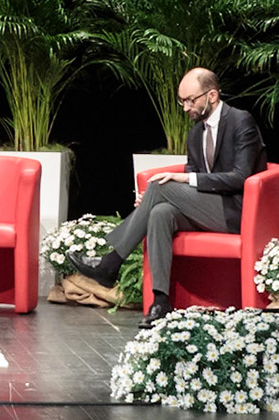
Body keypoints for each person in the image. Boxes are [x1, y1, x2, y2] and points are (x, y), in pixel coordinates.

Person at [73, 67, 264, 327]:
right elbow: (194, 176)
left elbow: (240, 177)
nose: (185, 107)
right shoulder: (195, 133)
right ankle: (161, 302)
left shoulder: (241, 122)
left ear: (212, 95)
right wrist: (156, 198)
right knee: (158, 212)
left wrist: (181, 181)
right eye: (182, 101)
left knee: (162, 187)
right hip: (205, 208)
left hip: (237, 212)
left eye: (190, 100)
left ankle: (110, 263)